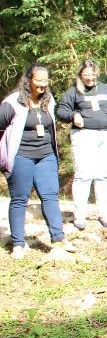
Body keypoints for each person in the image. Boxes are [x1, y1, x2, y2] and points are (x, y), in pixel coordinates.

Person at [0, 63, 75, 260]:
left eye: (46, 81)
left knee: (50, 196)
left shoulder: (48, 101)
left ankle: (58, 238)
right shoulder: (12, 103)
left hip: (46, 155)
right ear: (28, 80)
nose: (43, 85)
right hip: (21, 156)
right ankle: (18, 242)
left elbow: (52, 126)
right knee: (20, 199)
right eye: (39, 80)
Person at [55, 59, 107, 230]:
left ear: (97, 73)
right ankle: (80, 215)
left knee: (104, 175)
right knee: (83, 175)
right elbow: (61, 110)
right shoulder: (73, 92)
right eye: (86, 74)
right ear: (80, 74)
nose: (89, 78)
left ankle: (104, 213)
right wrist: (73, 116)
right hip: (84, 135)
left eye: (92, 74)